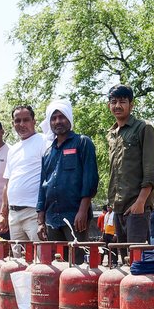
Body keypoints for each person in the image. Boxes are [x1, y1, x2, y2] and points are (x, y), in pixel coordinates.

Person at [36, 99, 99, 241]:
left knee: (77, 261)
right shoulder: (47, 152)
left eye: (62, 116)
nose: (58, 121)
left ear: (69, 118)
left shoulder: (82, 142)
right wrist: (40, 221)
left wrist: (82, 211)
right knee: (55, 262)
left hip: (76, 217)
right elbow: (42, 187)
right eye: (53, 118)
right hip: (51, 220)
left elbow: (90, 180)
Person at [106, 84, 154, 244]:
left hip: (137, 205)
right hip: (117, 207)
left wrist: (141, 202)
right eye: (113, 102)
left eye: (122, 101)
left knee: (136, 259)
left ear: (131, 104)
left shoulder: (144, 127)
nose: (117, 106)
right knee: (123, 260)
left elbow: (151, 170)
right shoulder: (112, 134)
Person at [0, 106, 48, 241]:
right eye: (17, 121)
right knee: (17, 260)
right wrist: (3, 213)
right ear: (13, 123)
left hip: (34, 212)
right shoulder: (12, 150)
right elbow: (7, 183)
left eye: (26, 120)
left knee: (40, 259)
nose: (21, 124)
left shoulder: (44, 141)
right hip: (13, 215)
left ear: (34, 121)